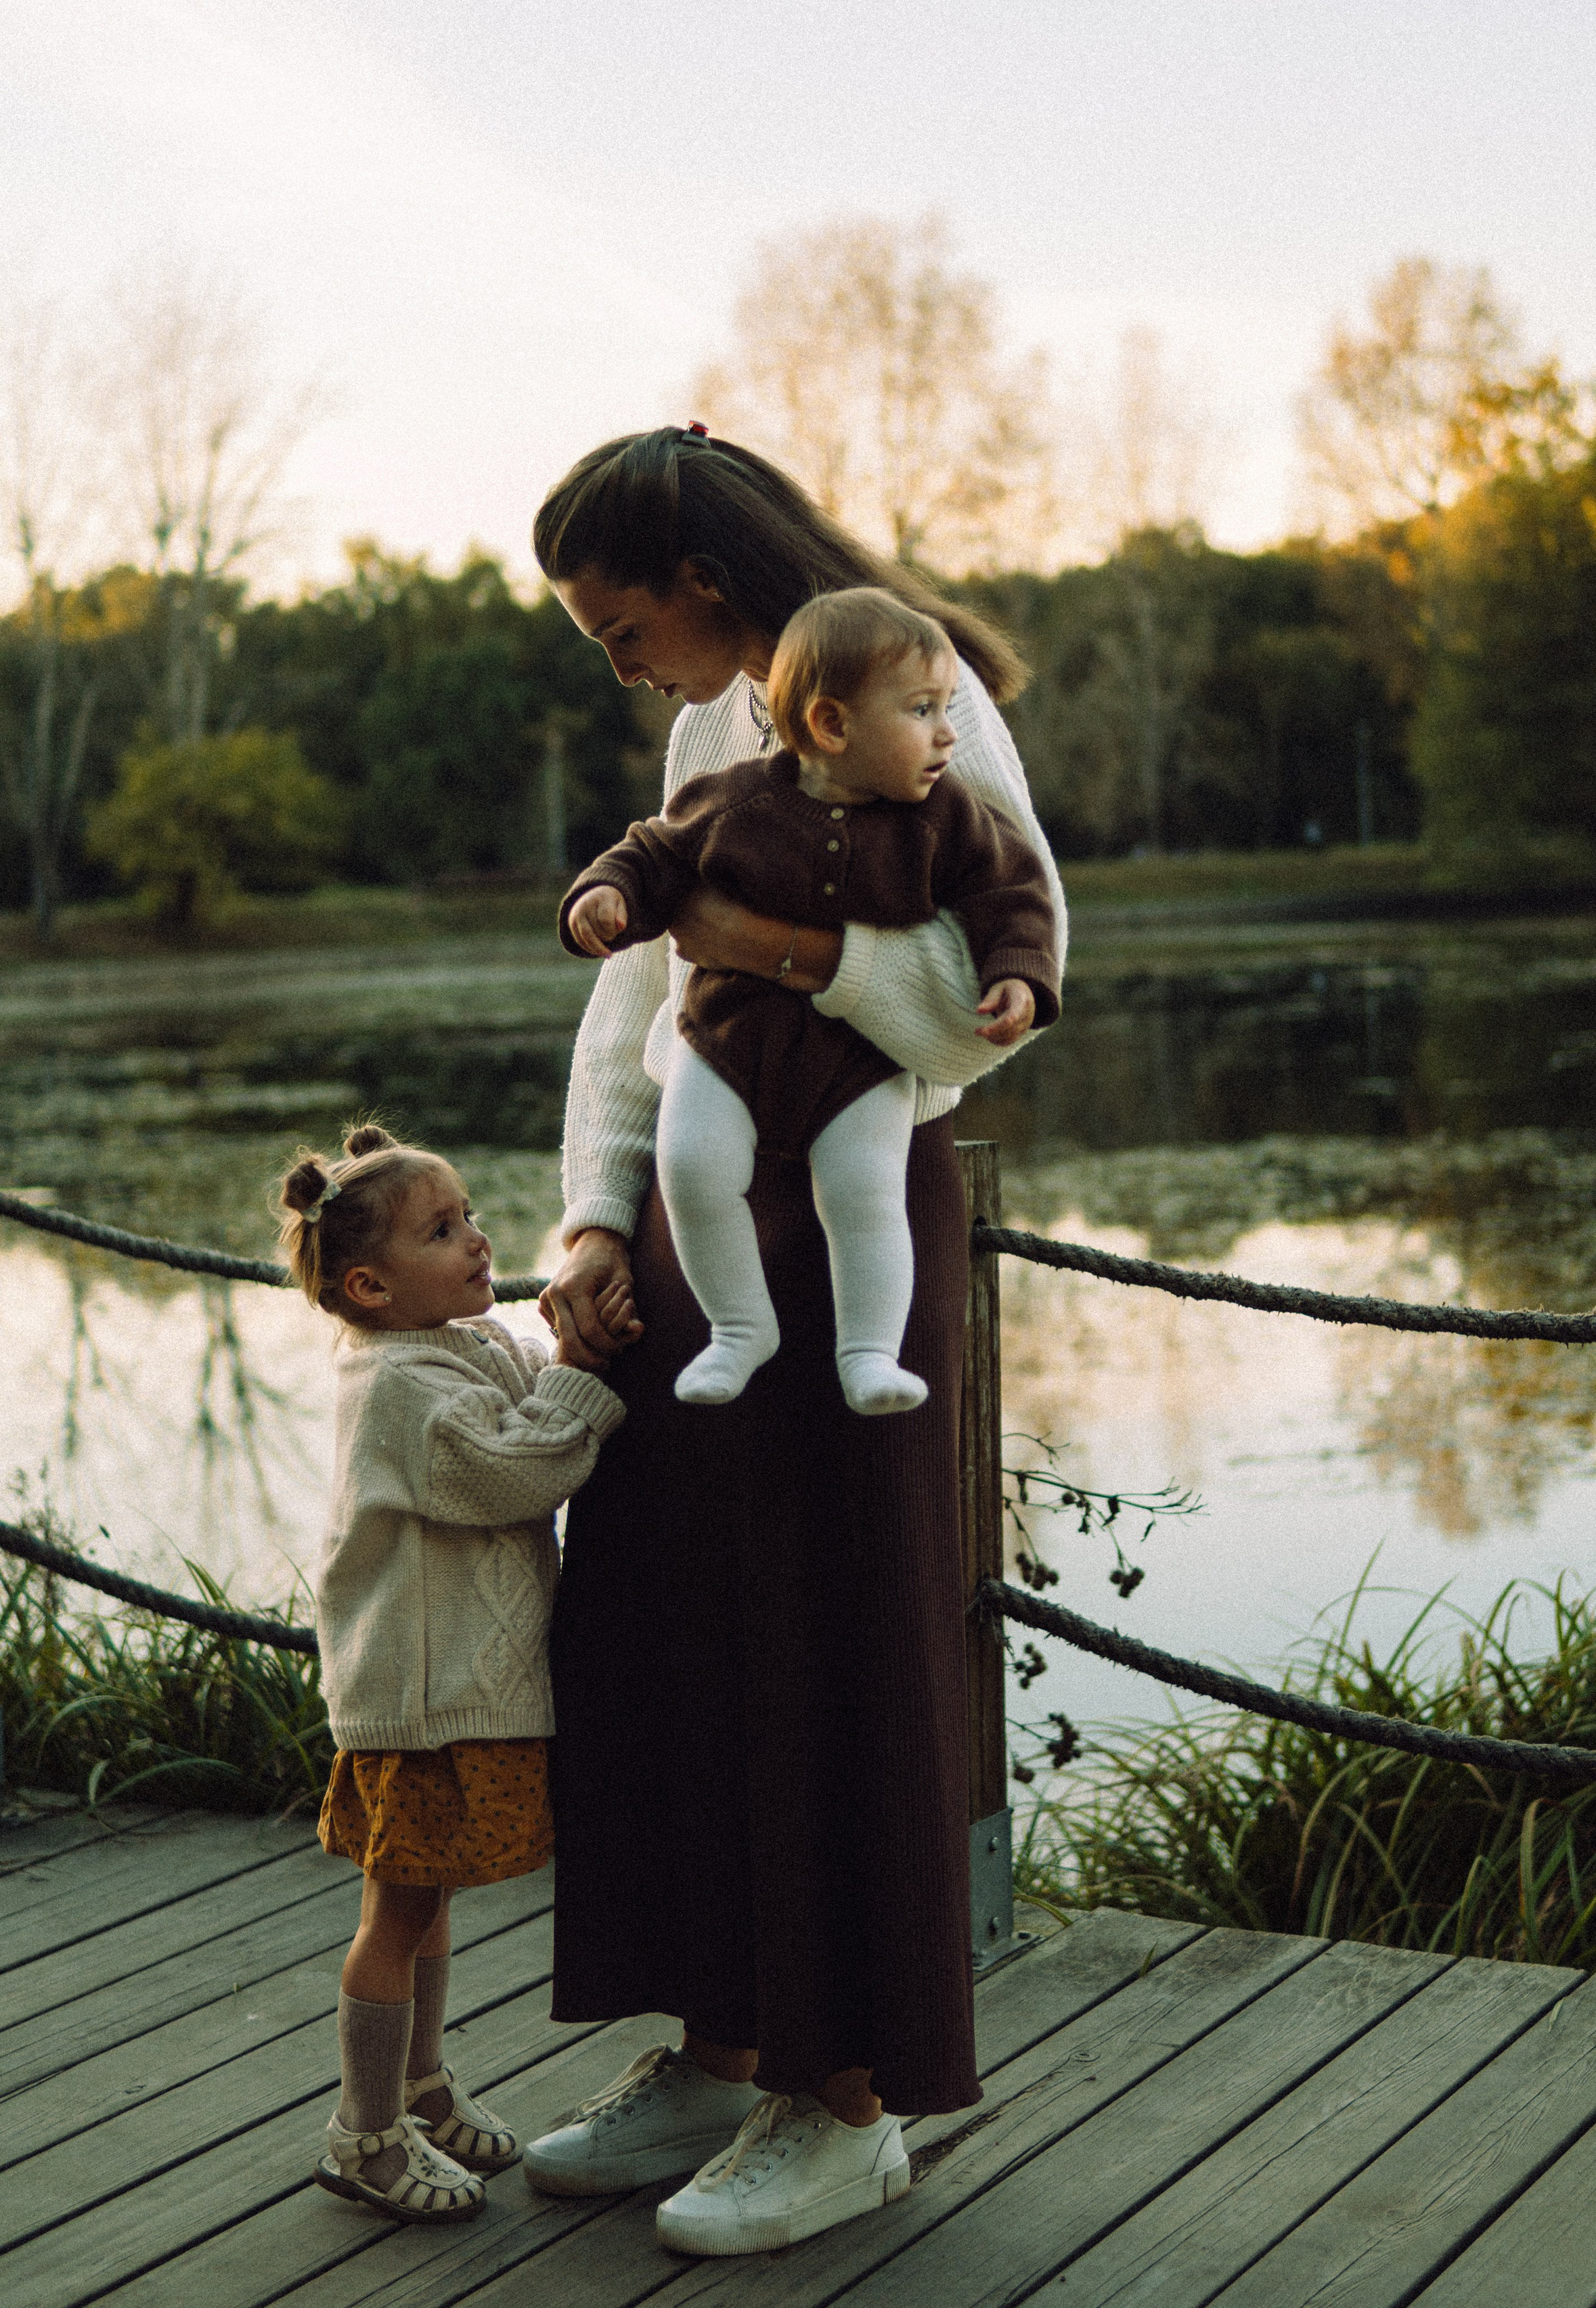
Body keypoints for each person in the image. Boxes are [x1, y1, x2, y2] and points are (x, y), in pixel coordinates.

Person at [525, 426, 1067, 2259]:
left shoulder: (920, 692)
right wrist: (594, 1215)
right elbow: (636, 1005)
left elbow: (1009, 985)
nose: (621, 665)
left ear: (701, 582)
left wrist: (801, 958)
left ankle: (846, 2105)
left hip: (848, 1240)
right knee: (673, 1609)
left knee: (827, 1632)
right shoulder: (706, 738)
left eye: (620, 629)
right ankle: (717, 2037)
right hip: (694, 1225)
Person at [564, 586, 1061, 1417]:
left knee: (866, 1189)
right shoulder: (734, 796)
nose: (947, 731)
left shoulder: (945, 818)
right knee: (691, 1166)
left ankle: (869, 1351)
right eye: (922, 712)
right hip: (723, 1041)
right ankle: (738, 1326)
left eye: (944, 708)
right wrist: (607, 895)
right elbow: (652, 855)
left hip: (856, 1063)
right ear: (832, 726)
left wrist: (1018, 973)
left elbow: (1013, 895)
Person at [278, 1123, 627, 2225]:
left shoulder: (455, 1344)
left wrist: (572, 1348)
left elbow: (524, 1403)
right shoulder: (395, 1390)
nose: (477, 1242)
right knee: (400, 1910)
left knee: (425, 1904)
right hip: (419, 1703)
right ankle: (364, 2133)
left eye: (470, 1216)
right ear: (371, 1286)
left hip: (451, 1690)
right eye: (444, 1231)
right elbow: (511, 1469)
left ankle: (420, 2086)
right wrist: (582, 1375)